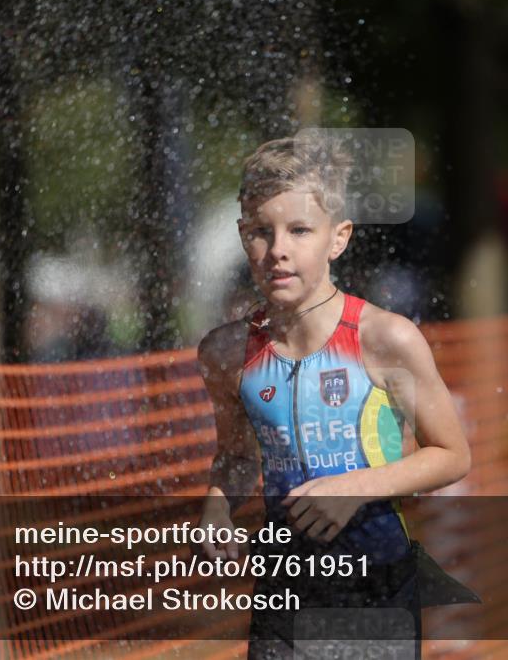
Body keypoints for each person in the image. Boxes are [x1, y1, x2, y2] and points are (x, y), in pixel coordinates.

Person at [195, 134, 472, 659]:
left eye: (300, 230)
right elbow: (235, 456)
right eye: (260, 231)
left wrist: (355, 487)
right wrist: (216, 506)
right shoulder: (227, 353)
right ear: (241, 236)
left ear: (338, 238)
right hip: (282, 589)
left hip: (376, 587)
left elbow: (452, 454)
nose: (278, 249)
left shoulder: (384, 338)